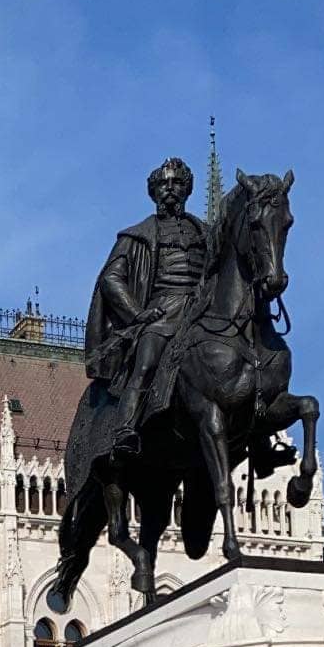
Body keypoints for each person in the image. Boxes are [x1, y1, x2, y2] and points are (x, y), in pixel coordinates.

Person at [83, 157, 206, 457]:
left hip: (202, 312)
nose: (170, 189)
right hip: (162, 312)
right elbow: (111, 278)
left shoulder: (206, 233)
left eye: (177, 183)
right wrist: (137, 314)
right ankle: (125, 428)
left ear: (188, 189)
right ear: (153, 192)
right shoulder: (137, 236)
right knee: (147, 362)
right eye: (163, 184)